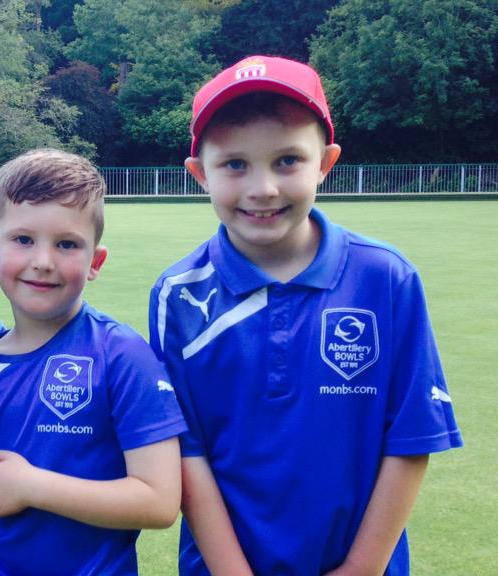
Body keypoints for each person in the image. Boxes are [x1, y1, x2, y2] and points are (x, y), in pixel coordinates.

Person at [149, 55, 464, 575]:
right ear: (199, 174)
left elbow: (410, 438)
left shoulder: (385, 278)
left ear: (326, 161)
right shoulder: (177, 294)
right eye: (235, 164)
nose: (263, 188)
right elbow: (188, 452)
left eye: (287, 160)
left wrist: (360, 570)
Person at [0, 149, 187, 575]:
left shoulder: (121, 355)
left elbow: (159, 501)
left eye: (67, 244)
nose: (43, 261)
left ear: (95, 262)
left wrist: (34, 487)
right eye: (23, 239)